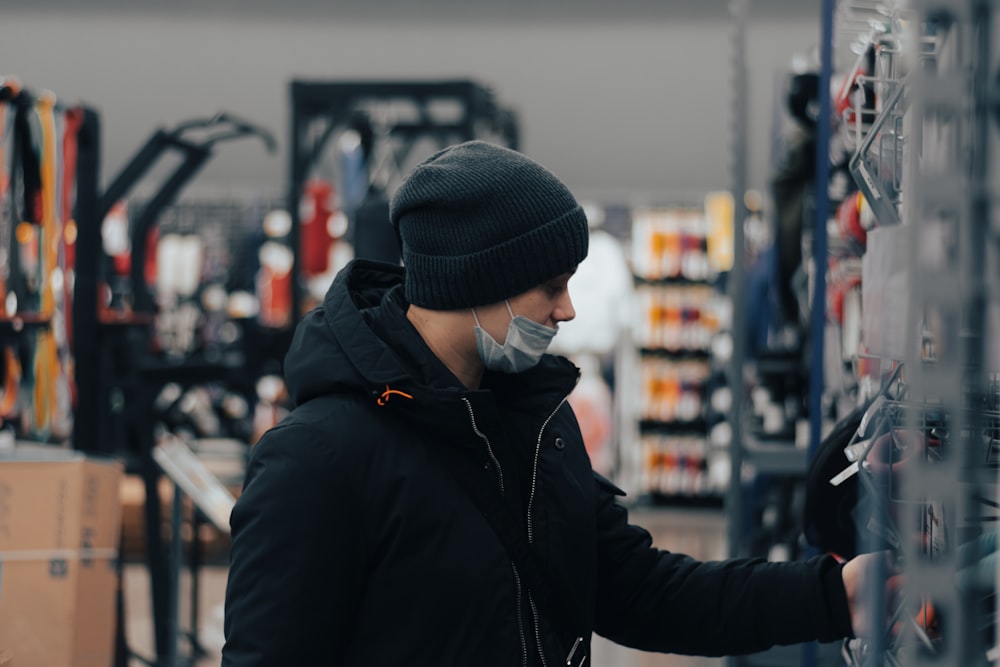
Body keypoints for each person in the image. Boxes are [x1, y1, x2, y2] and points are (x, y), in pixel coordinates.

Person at [222, 140, 871, 666]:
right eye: (550, 287)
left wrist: (834, 594)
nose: (567, 309)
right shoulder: (316, 460)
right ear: (480, 279)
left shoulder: (537, 424)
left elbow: (643, 590)